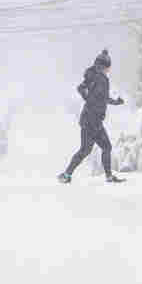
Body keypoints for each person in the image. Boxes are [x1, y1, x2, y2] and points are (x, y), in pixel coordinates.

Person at [59, 49, 125, 183]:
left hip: (91, 119)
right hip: (92, 120)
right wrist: (89, 99)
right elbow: (85, 91)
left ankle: (67, 175)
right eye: (108, 67)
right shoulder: (98, 77)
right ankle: (107, 177)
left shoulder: (96, 76)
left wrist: (115, 102)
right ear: (105, 66)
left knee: (87, 150)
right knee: (103, 147)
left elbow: (100, 97)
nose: (109, 70)